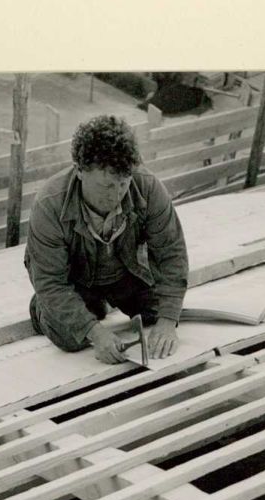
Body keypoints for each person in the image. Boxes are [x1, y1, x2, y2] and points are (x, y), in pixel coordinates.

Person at [24, 114, 189, 365]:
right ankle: (44, 309)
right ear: (79, 170)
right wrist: (95, 333)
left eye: (123, 184)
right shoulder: (49, 205)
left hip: (124, 274)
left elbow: (172, 254)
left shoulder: (148, 187)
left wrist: (167, 322)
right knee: (70, 338)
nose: (116, 195)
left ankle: (98, 304)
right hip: (75, 280)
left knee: (163, 312)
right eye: (106, 186)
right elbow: (50, 282)